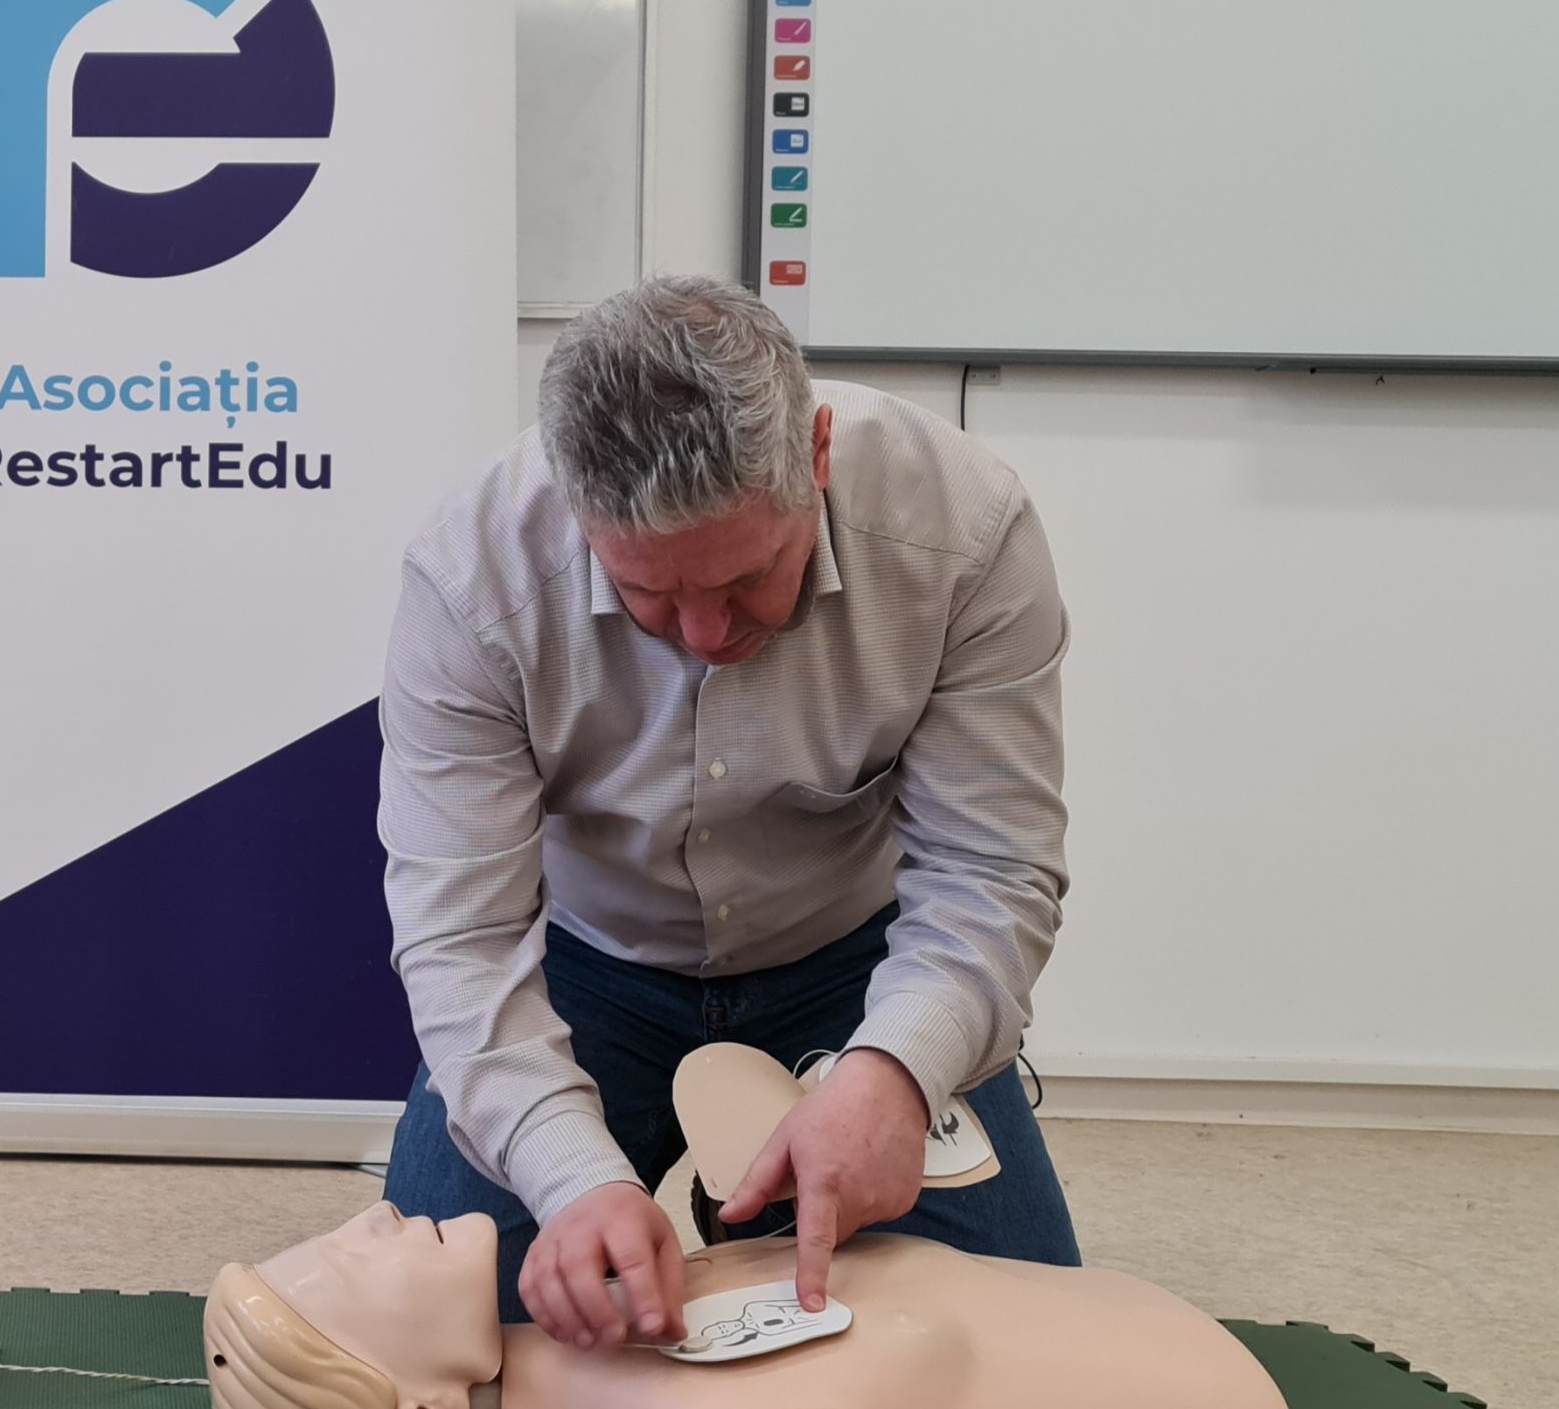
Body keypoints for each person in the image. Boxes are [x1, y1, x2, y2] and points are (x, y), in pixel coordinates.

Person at [378, 274, 1076, 1347]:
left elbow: (991, 868)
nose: (706, 635)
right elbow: (460, 939)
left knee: (1023, 1344)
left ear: (818, 454)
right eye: (648, 593)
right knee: (440, 1340)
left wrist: (894, 1071)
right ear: (577, 508)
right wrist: (573, 1179)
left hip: (855, 966)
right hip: (582, 967)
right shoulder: (471, 578)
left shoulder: (964, 527)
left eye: (748, 578)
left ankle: (789, 1170)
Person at [205, 1195, 1305, 1409]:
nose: (369, 1216)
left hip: (844, 944)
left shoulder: (668, 1401)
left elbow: (997, 864)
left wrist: (898, 1070)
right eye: (340, 1264)